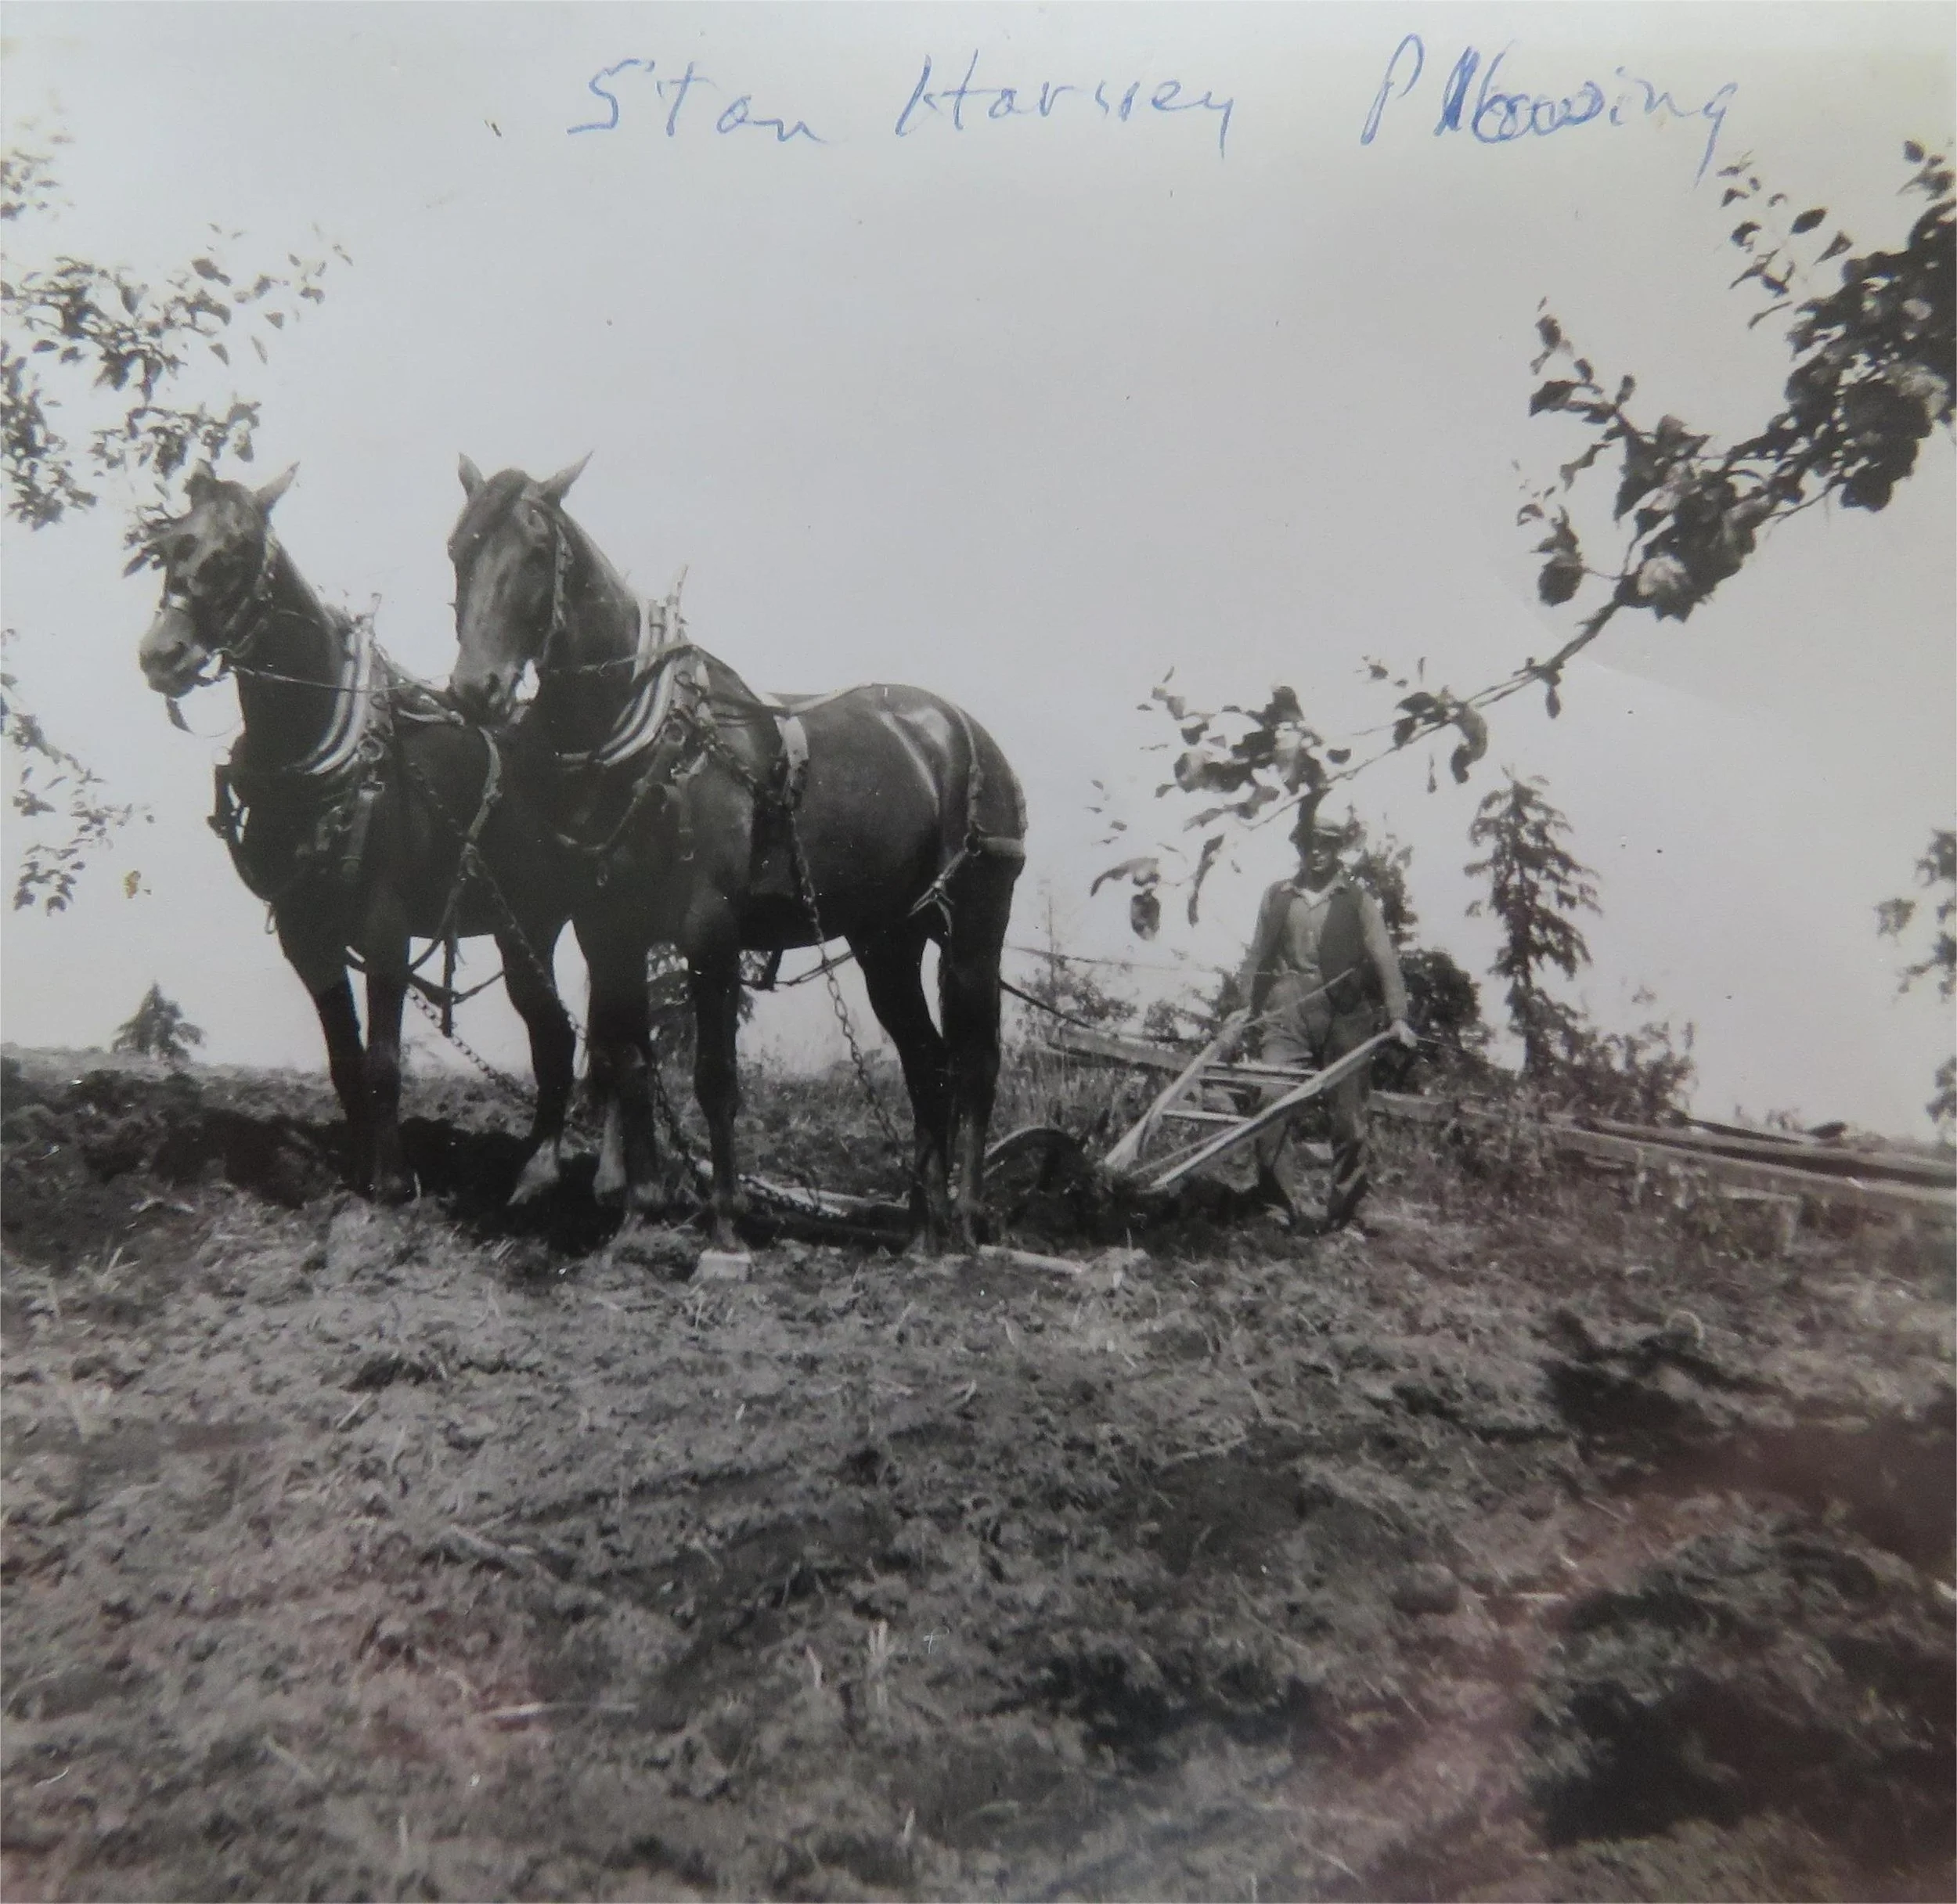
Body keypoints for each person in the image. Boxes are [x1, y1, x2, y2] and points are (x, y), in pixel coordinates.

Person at [1227, 802, 1417, 1231]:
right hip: (1286, 1013)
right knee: (1271, 1100)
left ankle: (1344, 1217)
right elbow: (1257, 955)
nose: (1316, 852)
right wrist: (1244, 1007)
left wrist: (1398, 1016)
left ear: (1338, 849)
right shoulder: (1277, 896)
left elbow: (1384, 958)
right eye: (1309, 844)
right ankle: (1277, 1208)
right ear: (1299, 847)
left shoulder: (1357, 900)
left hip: (1344, 1015)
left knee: (1350, 1120)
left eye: (1326, 845)